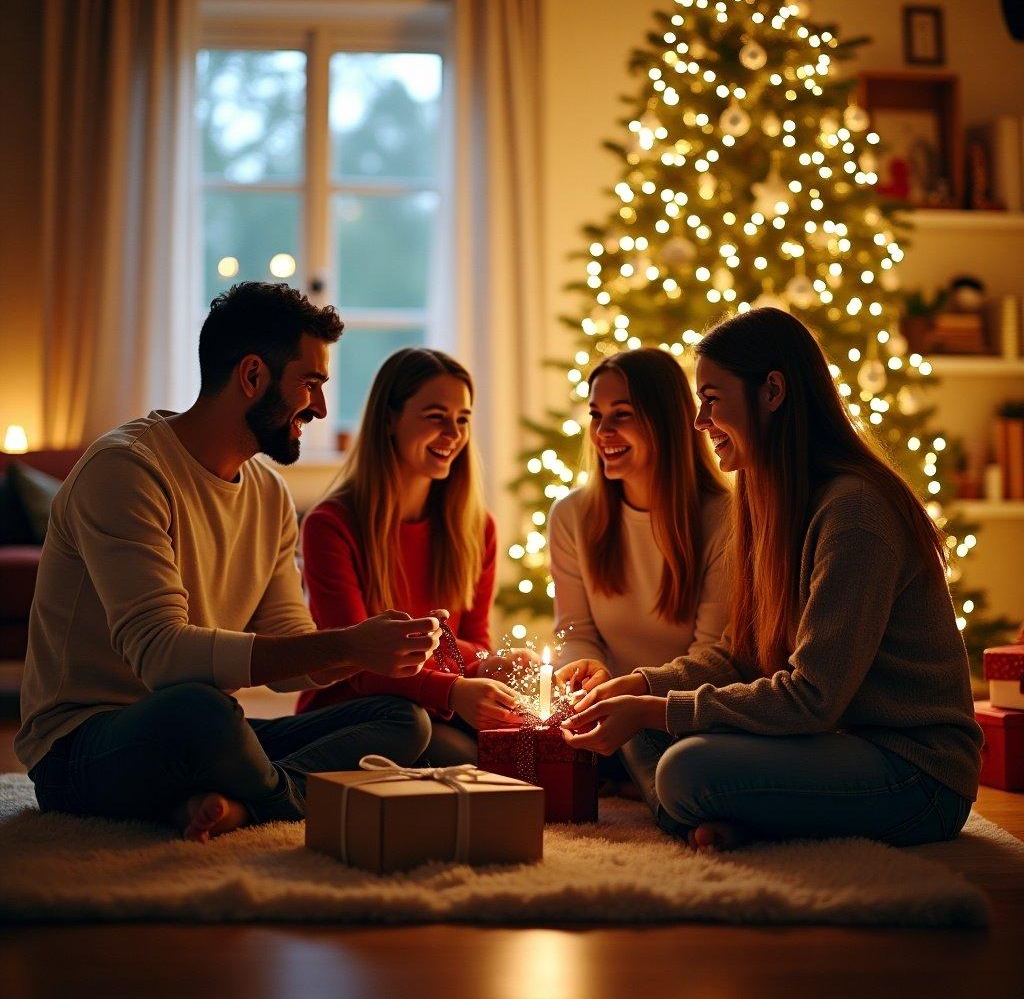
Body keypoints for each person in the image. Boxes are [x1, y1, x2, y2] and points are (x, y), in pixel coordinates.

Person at [17, 282, 443, 843]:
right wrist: (347, 646)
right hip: (82, 746)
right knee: (205, 712)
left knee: (400, 720)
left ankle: (237, 796)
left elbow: (291, 644)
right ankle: (271, 801)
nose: (318, 407)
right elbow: (162, 656)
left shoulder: (268, 494)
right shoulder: (127, 471)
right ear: (252, 376)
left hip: (200, 734)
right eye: (310, 384)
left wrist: (365, 647)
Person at [562, 307, 983, 852]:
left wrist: (658, 708)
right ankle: (727, 818)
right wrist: (639, 686)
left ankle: (716, 813)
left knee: (685, 769)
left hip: (915, 774)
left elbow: (813, 698)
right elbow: (740, 659)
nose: (699, 423)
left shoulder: (855, 511)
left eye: (711, 400)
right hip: (835, 746)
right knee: (646, 734)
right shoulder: (768, 504)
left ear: (773, 391)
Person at [296, 348, 521, 764]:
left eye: (463, 419)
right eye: (435, 416)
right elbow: (355, 663)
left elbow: (477, 643)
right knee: (458, 753)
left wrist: (493, 666)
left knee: (520, 742)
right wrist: (453, 679)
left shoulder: (478, 528)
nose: (453, 433)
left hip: (436, 701)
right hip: (358, 711)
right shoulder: (331, 525)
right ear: (390, 420)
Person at [548, 347, 732, 703]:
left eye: (623, 415)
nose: (603, 431)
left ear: (665, 422)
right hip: (606, 705)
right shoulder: (570, 515)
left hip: (687, 711)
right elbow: (576, 632)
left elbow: (713, 658)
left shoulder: (726, 518)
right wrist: (587, 671)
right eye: (596, 415)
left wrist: (636, 699)